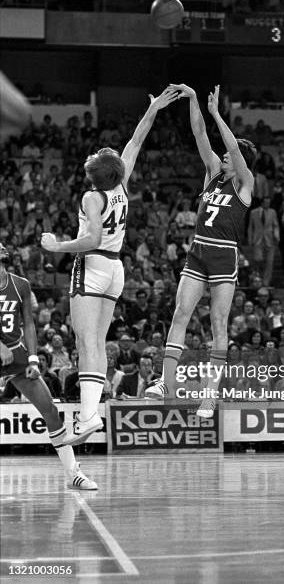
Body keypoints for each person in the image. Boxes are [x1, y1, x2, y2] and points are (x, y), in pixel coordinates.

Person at [41, 87, 178, 444]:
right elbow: (135, 142)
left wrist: (58, 246)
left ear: (92, 176)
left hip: (93, 264)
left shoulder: (92, 195)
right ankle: (91, 416)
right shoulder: (121, 186)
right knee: (98, 343)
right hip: (117, 270)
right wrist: (154, 110)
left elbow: (92, 239)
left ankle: (87, 418)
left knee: (86, 343)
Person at [145, 83, 257, 419]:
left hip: (224, 254)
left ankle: (210, 394)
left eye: (228, 156)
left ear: (239, 162)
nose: (222, 156)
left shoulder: (244, 182)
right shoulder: (212, 174)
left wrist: (216, 113)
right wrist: (194, 99)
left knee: (218, 324)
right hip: (198, 252)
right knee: (181, 313)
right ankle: (165, 383)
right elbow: (198, 136)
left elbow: (232, 147)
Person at [0, 243, 96, 490]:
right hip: (3, 350)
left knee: (51, 410)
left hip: (16, 354)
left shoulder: (20, 284)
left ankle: (73, 473)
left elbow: (29, 324)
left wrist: (33, 358)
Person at [248, 196, 279, 286]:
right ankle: (257, 280)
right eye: (266, 202)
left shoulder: (273, 212)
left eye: (269, 202)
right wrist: (250, 239)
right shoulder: (253, 212)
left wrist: (277, 236)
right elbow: (250, 227)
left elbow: (276, 225)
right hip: (258, 239)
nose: (268, 204)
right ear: (262, 203)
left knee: (270, 262)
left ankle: (266, 282)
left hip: (270, 239)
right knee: (258, 260)